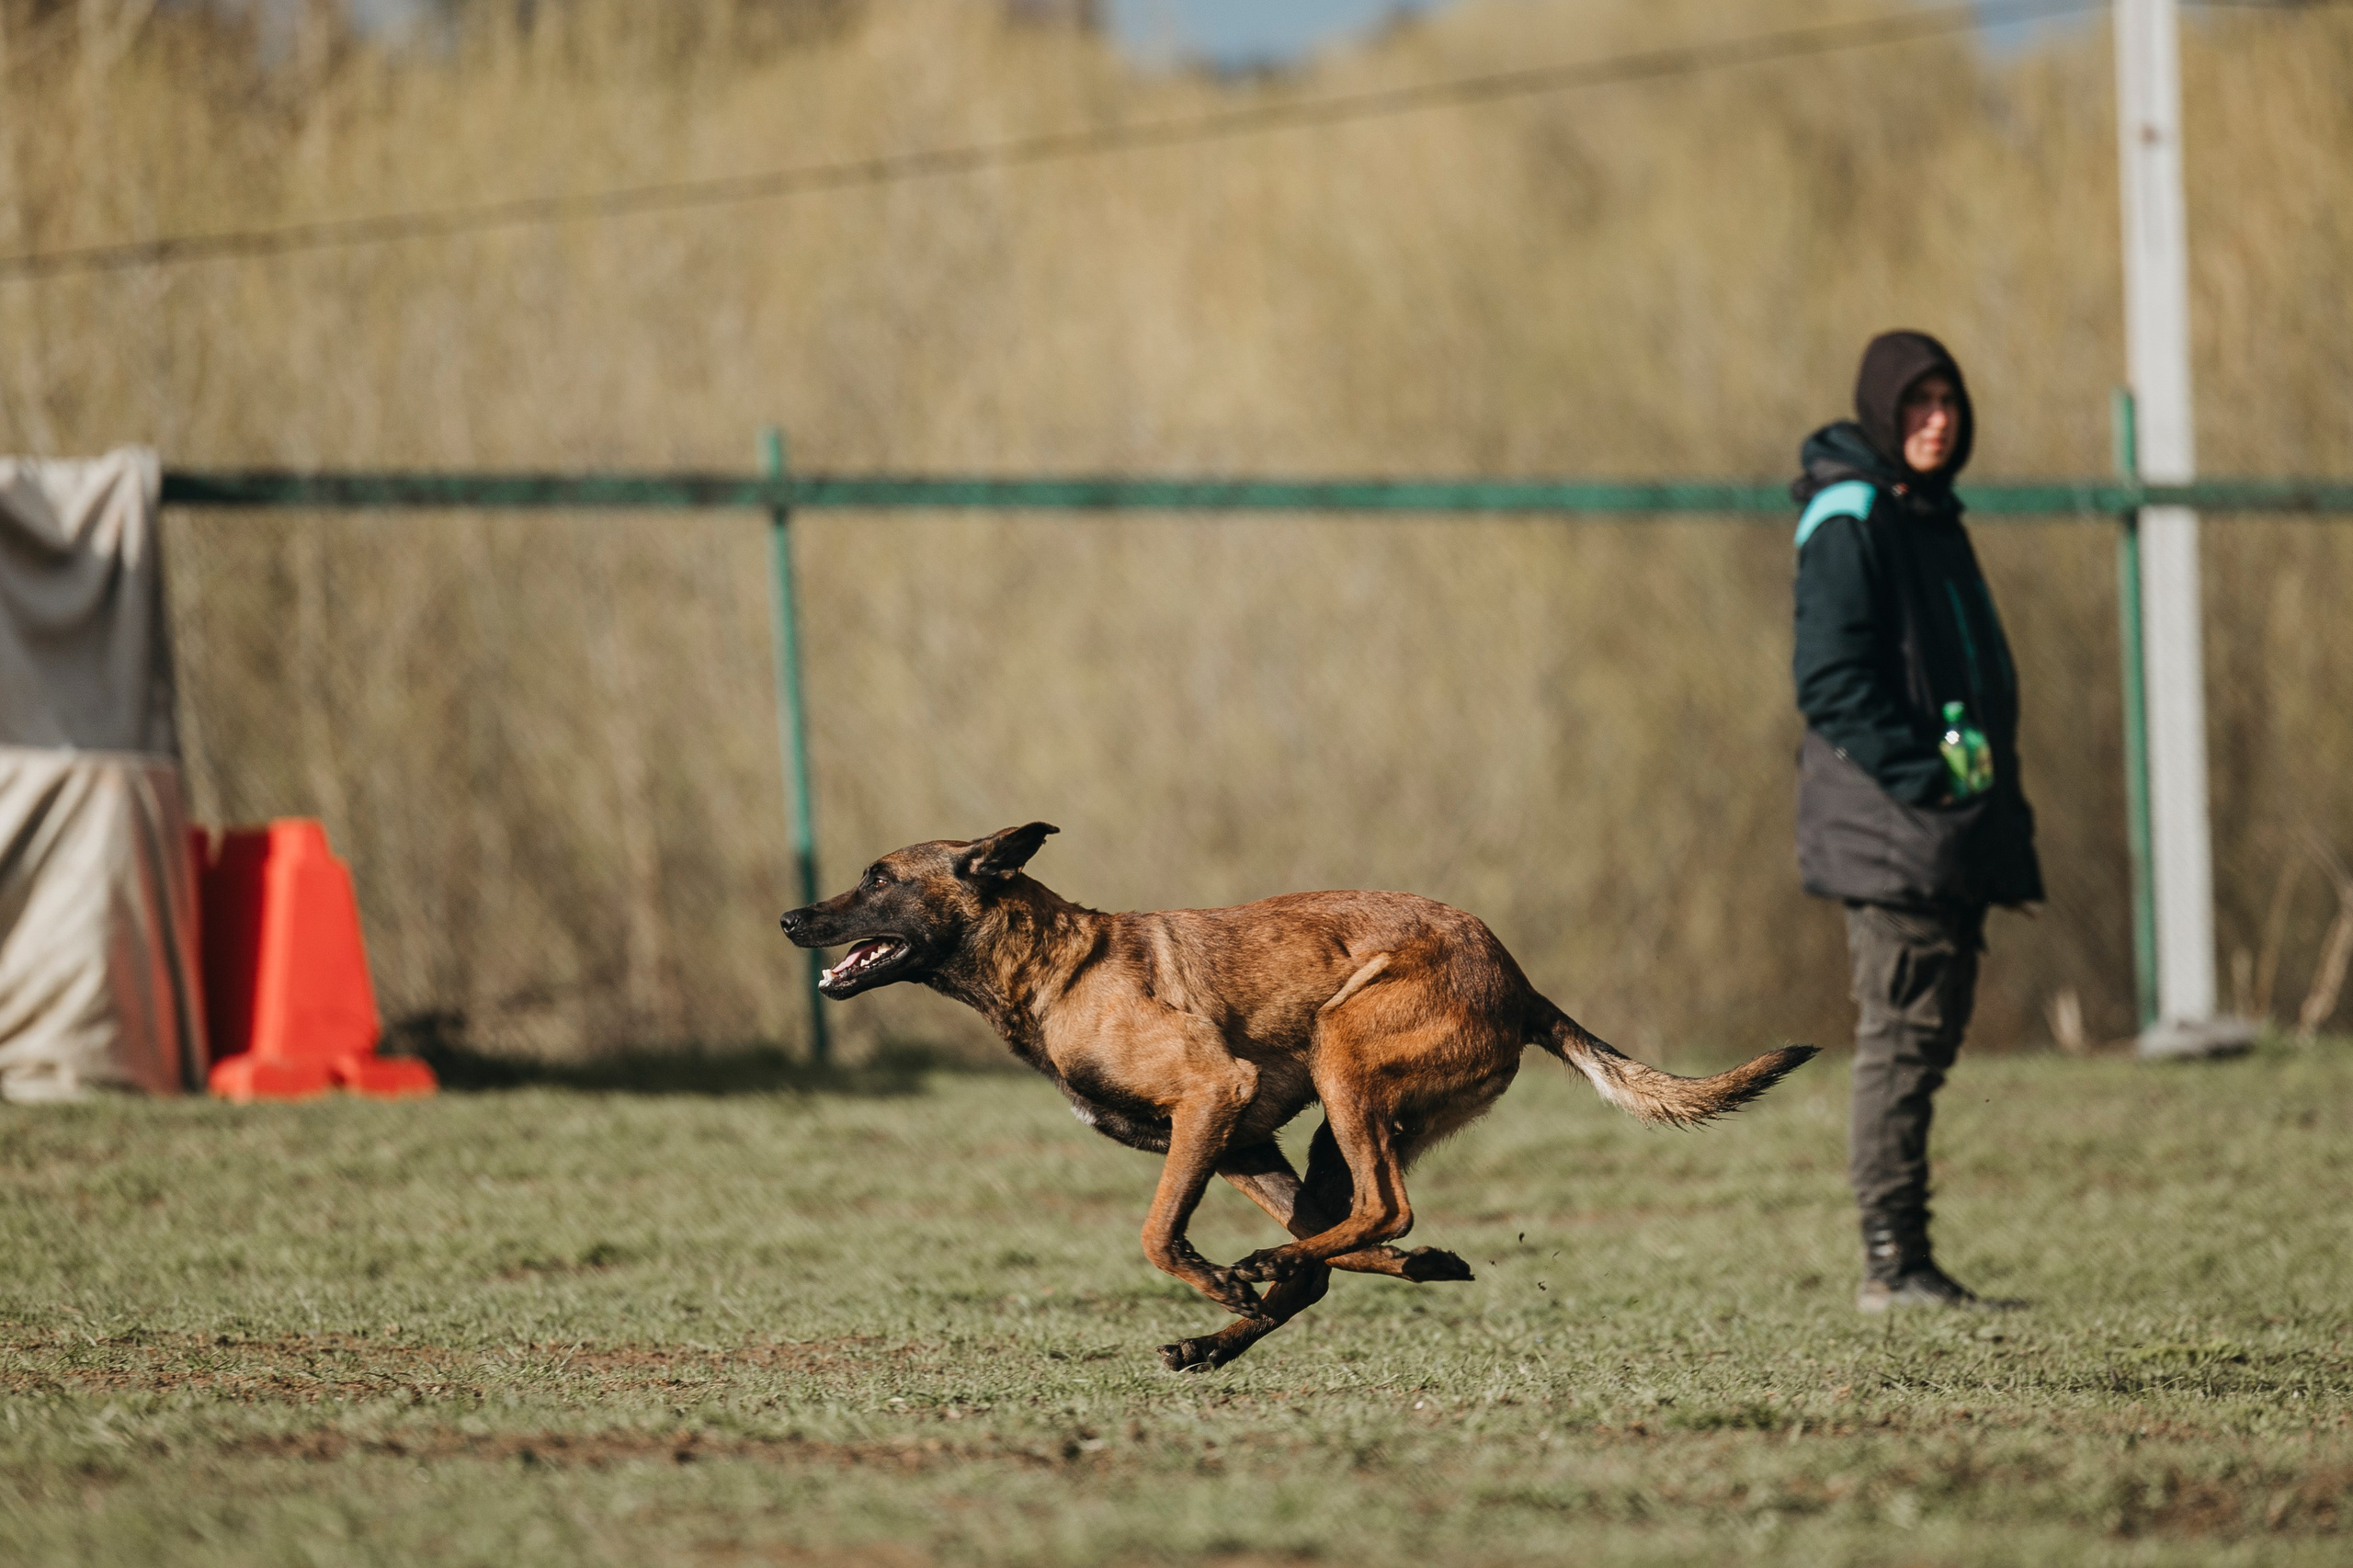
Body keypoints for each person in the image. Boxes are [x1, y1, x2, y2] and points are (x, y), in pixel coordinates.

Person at [1790, 330, 2042, 1312]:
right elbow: (1831, 682)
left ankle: (1908, 1260)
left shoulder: (1921, 510)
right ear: (1881, 411)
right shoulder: (1853, 514)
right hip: (1892, 825)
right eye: (1916, 403)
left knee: (1923, 1042)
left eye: (1949, 401)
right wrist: (1930, 779)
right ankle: (1892, 1266)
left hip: (1930, 824)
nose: (1936, 419)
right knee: (1900, 1041)